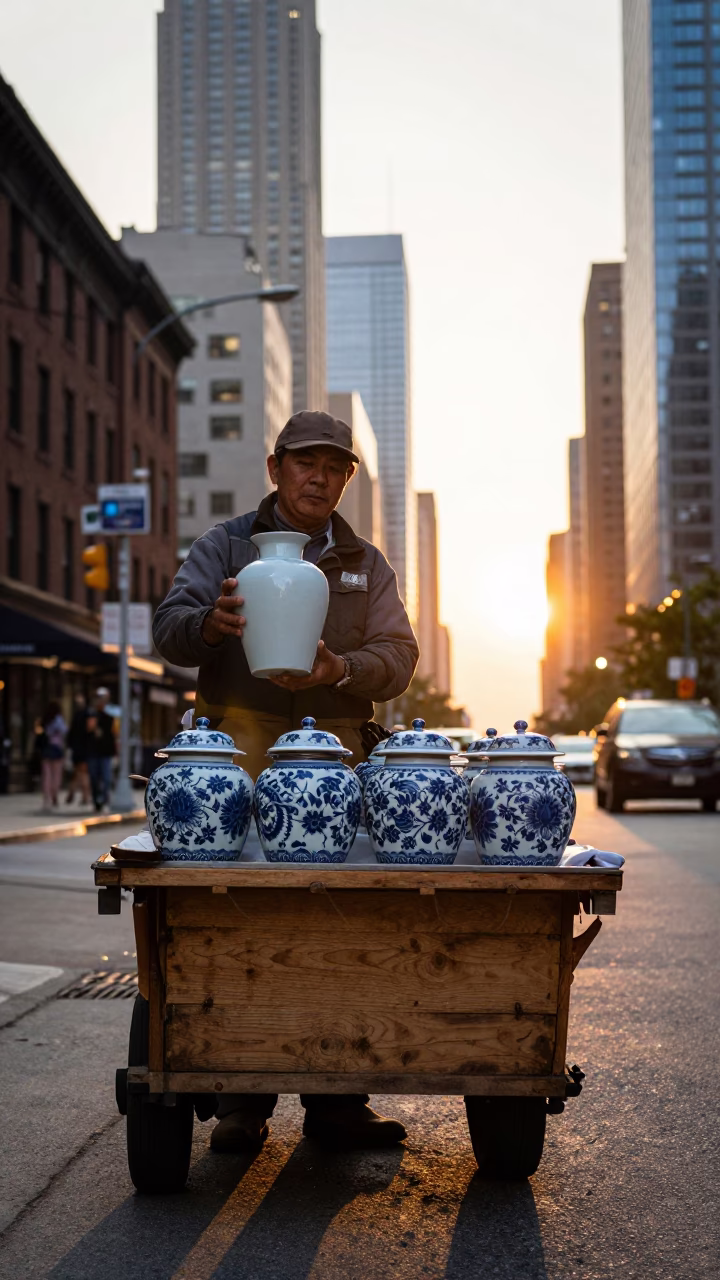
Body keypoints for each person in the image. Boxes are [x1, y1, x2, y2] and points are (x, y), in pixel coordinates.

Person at [154, 410, 419, 1156]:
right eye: (307, 463)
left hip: (337, 765)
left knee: (344, 926)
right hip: (237, 765)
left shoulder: (366, 561)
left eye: (335, 468)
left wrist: (344, 668)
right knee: (239, 918)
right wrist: (212, 622)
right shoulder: (227, 546)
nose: (320, 477)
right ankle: (242, 1098)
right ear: (276, 469)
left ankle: (339, 1101)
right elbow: (169, 628)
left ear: (345, 480)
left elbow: (400, 652)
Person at [86, 687, 116, 813]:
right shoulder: (90, 715)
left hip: (105, 752)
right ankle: (96, 801)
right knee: (94, 777)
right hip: (93, 751)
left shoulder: (110, 716)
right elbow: (88, 730)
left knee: (106, 777)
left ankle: (104, 800)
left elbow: (114, 734)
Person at [38, 701, 67, 813]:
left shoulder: (46, 719)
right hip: (56, 748)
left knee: (47, 775)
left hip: (46, 748)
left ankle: (47, 799)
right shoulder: (58, 719)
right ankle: (54, 796)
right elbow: (64, 730)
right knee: (56, 774)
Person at [65, 694, 92, 807]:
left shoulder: (80, 715)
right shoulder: (84, 715)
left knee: (79, 772)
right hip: (82, 748)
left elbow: (71, 734)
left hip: (79, 748)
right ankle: (83, 795)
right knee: (81, 772)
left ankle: (75, 794)